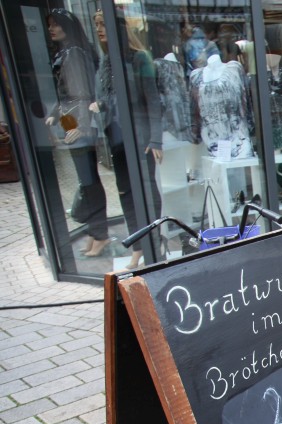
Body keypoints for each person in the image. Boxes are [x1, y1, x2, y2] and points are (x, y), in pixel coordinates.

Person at [90, 12, 163, 268]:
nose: (100, 29)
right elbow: (105, 98)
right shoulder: (105, 62)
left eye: (104, 24)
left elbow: (153, 100)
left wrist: (156, 140)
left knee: (147, 190)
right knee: (125, 191)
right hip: (116, 138)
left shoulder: (139, 58)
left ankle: (155, 243)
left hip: (140, 139)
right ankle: (139, 247)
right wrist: (99, 106)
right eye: (96, 25)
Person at [44, 8, 106, 256]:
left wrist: (81, 125)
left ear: (67, 27)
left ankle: (99, 234)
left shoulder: (75, 54)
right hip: (71, 120)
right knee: (86, 179)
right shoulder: (68, 52)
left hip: (79, 123)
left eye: (56, 24)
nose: (51, 29)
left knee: (88, 181)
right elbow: (65, 91)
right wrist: (55, 113)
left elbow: (83, 92)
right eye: (49, 24)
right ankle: (95, 231)